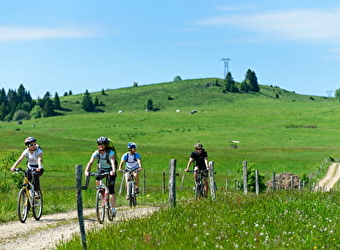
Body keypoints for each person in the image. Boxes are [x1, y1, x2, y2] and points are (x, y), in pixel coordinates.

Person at [84, 136, 117, 215]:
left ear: (106, 145)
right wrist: (86, 171)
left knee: (111, 190)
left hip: (110, 169)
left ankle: (113, 208)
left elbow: (112, 161)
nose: (100, 146)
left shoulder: (111, 152)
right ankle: (100, 193)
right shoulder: (96, 153)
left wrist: (113, 170)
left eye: (102, 144)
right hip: (101, 168)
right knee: (97, 179)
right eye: (99, 144)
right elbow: (91, 162)